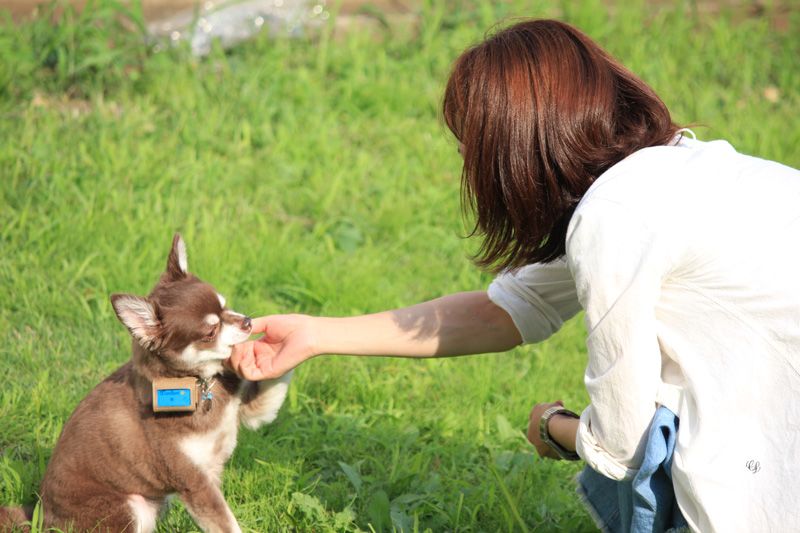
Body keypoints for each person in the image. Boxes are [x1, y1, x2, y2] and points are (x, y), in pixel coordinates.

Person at [228, 19, 800, 532]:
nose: (465, 160)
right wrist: (316, 334)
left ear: (515, 144)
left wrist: (552, 426)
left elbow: (621, 445)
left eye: (471, 142)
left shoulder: (615, 217)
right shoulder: (673, 173)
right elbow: (503, 312)